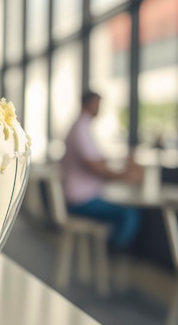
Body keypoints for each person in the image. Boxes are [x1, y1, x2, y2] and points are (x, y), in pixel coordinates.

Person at [60, 90, 143, 250]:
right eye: (97, 103)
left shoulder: (80, 127)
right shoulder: (81, 130)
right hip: (80, 200)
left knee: (125, 210)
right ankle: (112, 256)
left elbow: (99, 161)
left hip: (82, 195)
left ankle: (110, 255)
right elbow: (96, 166)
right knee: (129, 215)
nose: (99, 108)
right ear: (88, 104)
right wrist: (126, 176)